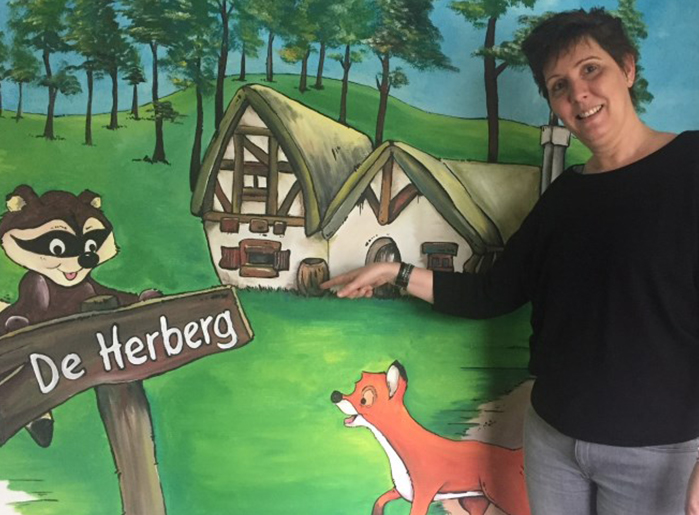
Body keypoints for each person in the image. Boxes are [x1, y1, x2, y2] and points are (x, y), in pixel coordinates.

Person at [321, 8, 699, 515]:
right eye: (559, 86)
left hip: (658, 454)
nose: (578, 94)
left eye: (591, 69)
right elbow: (493, 292)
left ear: (627, 68)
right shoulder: (565, 197)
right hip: (554, 444)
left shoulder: (691, 167)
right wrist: (394, 272)